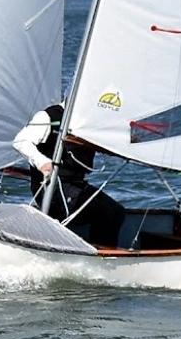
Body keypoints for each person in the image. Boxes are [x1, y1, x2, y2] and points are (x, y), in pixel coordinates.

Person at [13, 103, 126, 247]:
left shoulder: (89, 121)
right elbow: (21, 141)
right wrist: (42, 163)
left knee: (116, 211)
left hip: (76, 186)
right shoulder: (50, 116)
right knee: (107, 212)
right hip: (50, 188)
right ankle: (98, 256)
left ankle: (102, 253)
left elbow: (112, 143)